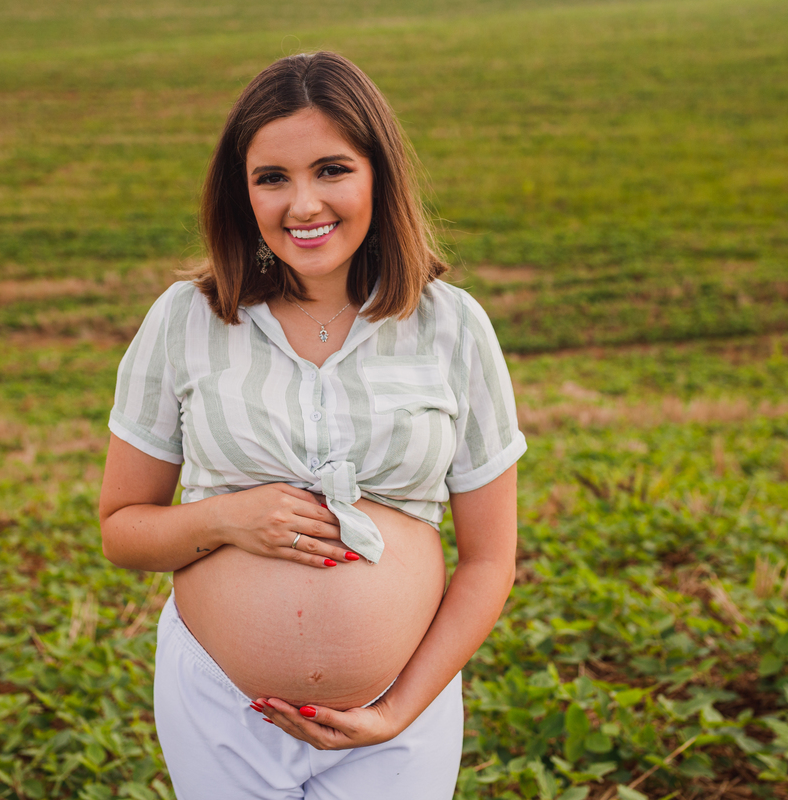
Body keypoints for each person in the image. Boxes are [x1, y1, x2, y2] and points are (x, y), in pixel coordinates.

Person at [98, 51, 526, 800]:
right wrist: (229, 520)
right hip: (221, 711)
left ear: (377, 176)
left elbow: (490, 561)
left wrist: (398, 709)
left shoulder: (452, 327)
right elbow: (121, 531)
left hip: (398, 720)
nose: (303, 204)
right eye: (273, 178)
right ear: (243, 193)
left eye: (332, 169)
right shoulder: (186, 321)